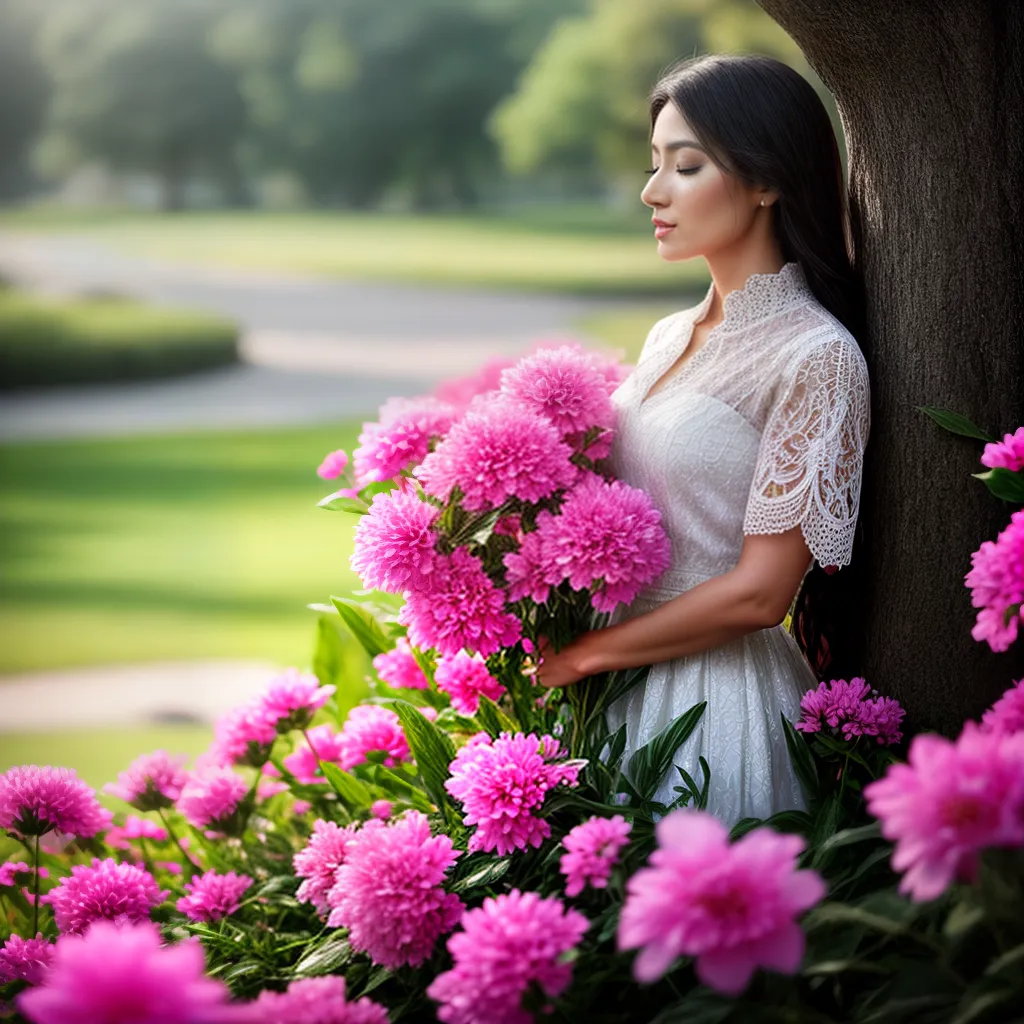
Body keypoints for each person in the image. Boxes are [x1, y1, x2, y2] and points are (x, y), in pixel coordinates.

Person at [534, 53, 871, 826]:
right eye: (655, 164)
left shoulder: (816, 357)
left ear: (766, 181)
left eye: (685, 166)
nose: (652, 191)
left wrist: (587, 656)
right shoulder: (667, 334)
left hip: (714, 700)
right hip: (606, 689)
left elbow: (761, 592)